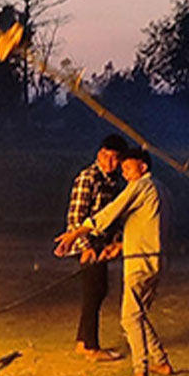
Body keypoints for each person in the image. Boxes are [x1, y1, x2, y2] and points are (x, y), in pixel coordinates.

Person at [55, 148, 172, 376]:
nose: (124, 173)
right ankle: (161, 361)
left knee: (129, 318)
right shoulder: (161, 189)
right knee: (138, 313)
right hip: (156, 260)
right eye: (123, 168)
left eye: (128, 167)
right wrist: (118, 246)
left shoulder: (140, 186)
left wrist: (75, 234)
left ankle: (141, 374)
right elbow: (148, 227)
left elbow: (109, 213)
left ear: (143, 167)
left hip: (140, 262)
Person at [57, 134, 128, 361]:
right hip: (86, 242)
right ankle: (91, 346)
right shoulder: (88, 178)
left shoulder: (114, 181)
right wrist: (85, 247)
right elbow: (76, 217)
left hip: (101, 243)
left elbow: (115, 216)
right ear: (99, 154)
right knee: (94, 291)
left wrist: (115, 241)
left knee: (97, 290)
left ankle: (83, 341)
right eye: (106, 156)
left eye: (115, 158)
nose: (109, 162)